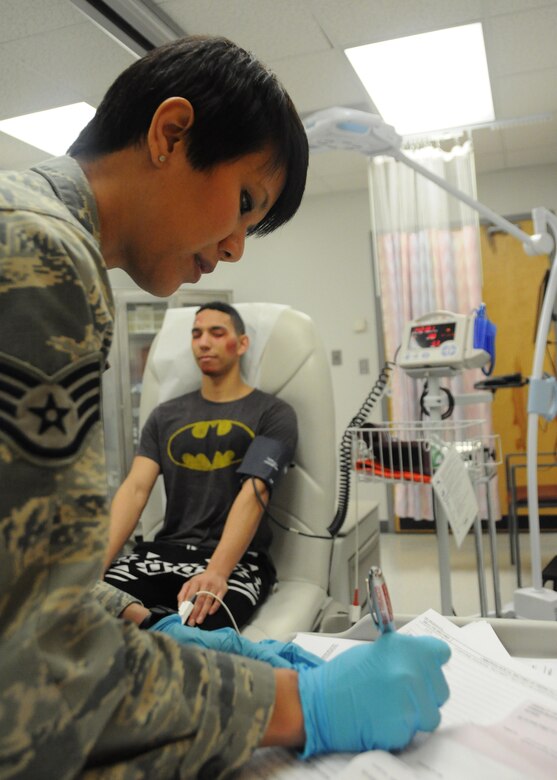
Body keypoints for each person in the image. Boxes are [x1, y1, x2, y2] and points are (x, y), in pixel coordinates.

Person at [0, 34, 450, 779]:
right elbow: (38, 678)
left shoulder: (22, 221)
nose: (236, 248)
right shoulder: (43, 257)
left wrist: (131, 616)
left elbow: (20, 577)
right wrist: (299, 705)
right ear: (171, 133)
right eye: (244, 202)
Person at [103, 300, 297, 631]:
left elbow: (256, 491)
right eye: (196, 334)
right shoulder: (165, 415)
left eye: (216, 333)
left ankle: (152, 626)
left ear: (242, 344)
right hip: (162, 553)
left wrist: (217, 572)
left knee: (203, 629)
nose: (203, 342)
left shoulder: (272, 413)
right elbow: (135, 490)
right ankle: (153, 626)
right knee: (85, 606)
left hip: (237, 561)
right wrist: (94, 565)